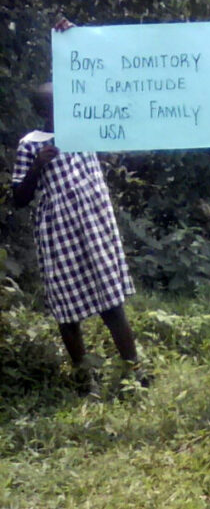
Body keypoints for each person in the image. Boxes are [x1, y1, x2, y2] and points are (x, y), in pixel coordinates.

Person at [11, 81, 145, 392]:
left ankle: (133, 371)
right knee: (66, 308)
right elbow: (19, 197)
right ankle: (86, 379)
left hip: (96, 228)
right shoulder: (30, 144)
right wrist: (38, 165)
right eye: (52, 106)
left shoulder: (87, 129)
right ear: (41, 111)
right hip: (58, 233)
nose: (61, 110)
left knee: (112, 303)